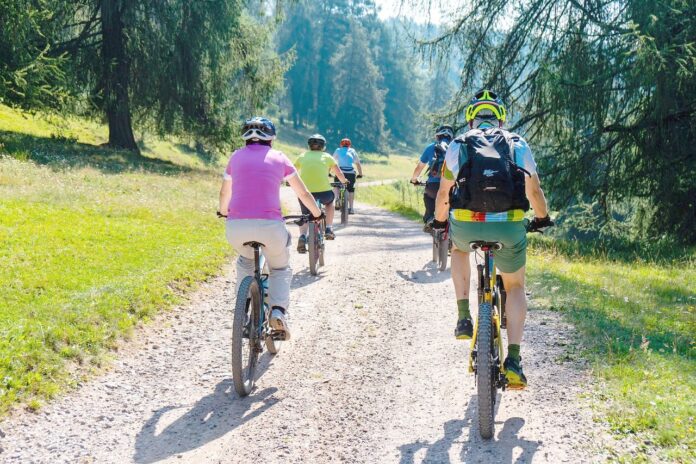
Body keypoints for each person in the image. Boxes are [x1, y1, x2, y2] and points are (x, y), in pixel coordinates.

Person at [430, 90, 553, 388]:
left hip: (467, 223)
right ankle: (513, 359)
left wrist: (439, 220)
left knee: (458, 251)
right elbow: (534, 191)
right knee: (515, 286)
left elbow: (445, 191)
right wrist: (542, 218)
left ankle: (463, 316)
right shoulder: (516, 143)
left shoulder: (459, 143)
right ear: (500, 118)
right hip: (509, 225)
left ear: (471, 118)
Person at [219, 117, 323, 341]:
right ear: (271, 138)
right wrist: (317, 214)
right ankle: (277, 312)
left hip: (236, 227)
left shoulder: (235, 157)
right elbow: (303, 193)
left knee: (245, 262)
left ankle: (244, 309)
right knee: (280, 268)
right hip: (270, 227)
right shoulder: (279, 158)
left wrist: (223, 211)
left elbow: (224, 194)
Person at [294, 134, 348, 251]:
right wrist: (344, 181)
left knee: (305, 214)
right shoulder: (327, 157)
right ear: (323, 146)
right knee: (330, 203)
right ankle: (328, 228)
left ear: (309, 146)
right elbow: (338, 173)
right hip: (324, 193)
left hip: (306, 193)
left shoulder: (302, 156)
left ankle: (302, 236)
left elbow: (293, 172)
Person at [410, 125, 454, 232]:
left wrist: (414, 180)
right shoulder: (455, 146)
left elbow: (419, 167)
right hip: (451, 186)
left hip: (433, 185)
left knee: (429, 196)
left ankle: (430, 218)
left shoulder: (431, 147)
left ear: (437, 136)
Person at [332, 138, 363, 214]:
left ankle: (336, 199)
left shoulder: (338, 150)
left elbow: (332, 161)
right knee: (351, 189)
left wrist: (329, 173)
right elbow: (358, 164)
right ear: (350, 145)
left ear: (341, 145)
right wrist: (360, 174)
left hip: (341, 172)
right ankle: (351, 208)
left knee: (336, 185)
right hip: (351, 173)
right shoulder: (352, 151)